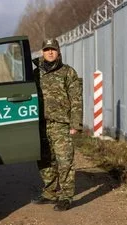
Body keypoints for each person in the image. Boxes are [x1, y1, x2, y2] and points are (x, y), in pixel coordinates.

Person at [31, 38, 83, 211]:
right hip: (41, 125)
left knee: (65, 161)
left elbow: (76, 100)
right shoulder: (34, 74)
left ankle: (66, 197)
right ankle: (50, 192)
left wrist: (75, 124)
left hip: (61, 124)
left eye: (53, 49)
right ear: (42, 52)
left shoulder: (68, 73)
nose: (50, 52)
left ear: (59, 52)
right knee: (44, 160)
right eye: (47, 49)